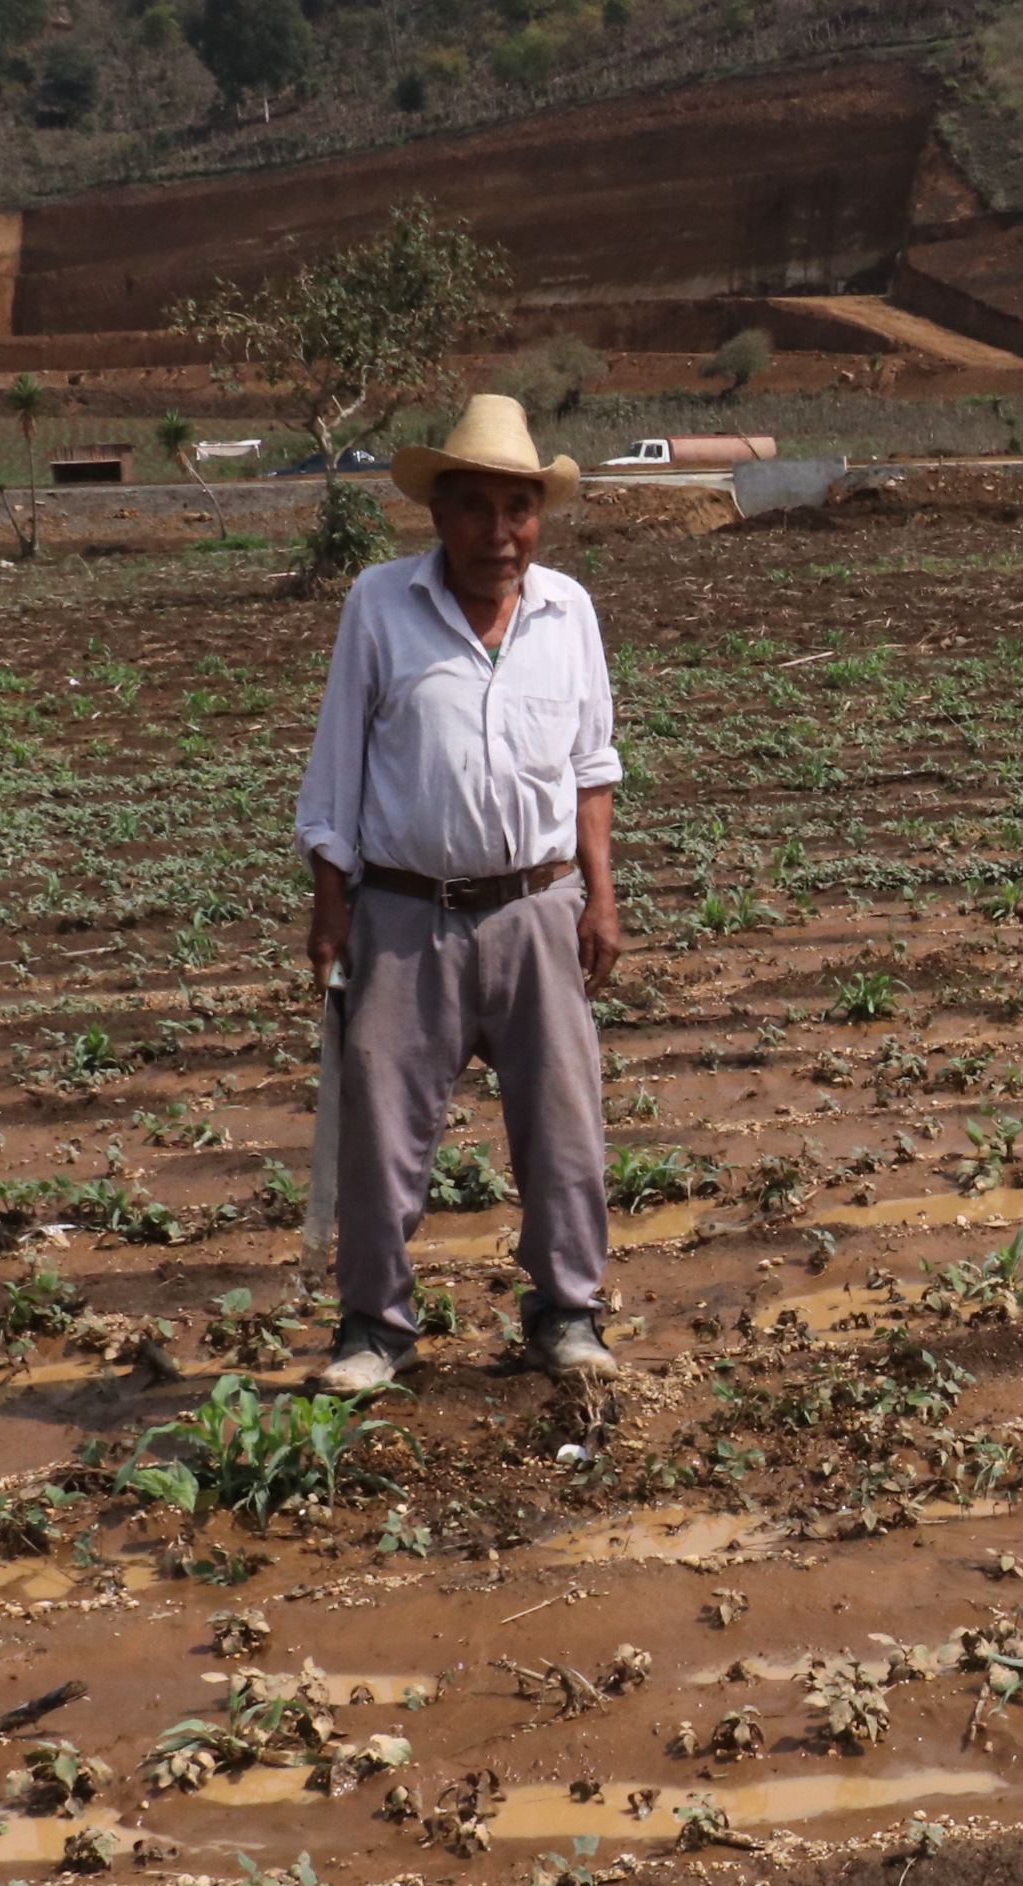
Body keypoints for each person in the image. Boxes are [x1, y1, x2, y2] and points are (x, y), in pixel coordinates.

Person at [293, 393, 625, 1396]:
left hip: (538, 909)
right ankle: (373, 1331)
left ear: (541, 516)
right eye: (475, 508)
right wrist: (330, 899)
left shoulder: (569, 613)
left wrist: (601, 900)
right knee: (383, 1133)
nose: (499, 533)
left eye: (518, 509)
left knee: (565, 1128)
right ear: (436, 516)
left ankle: (567, 1315)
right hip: (403, 914)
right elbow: (339, 765)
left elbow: (592, 769)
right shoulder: (379, 605)